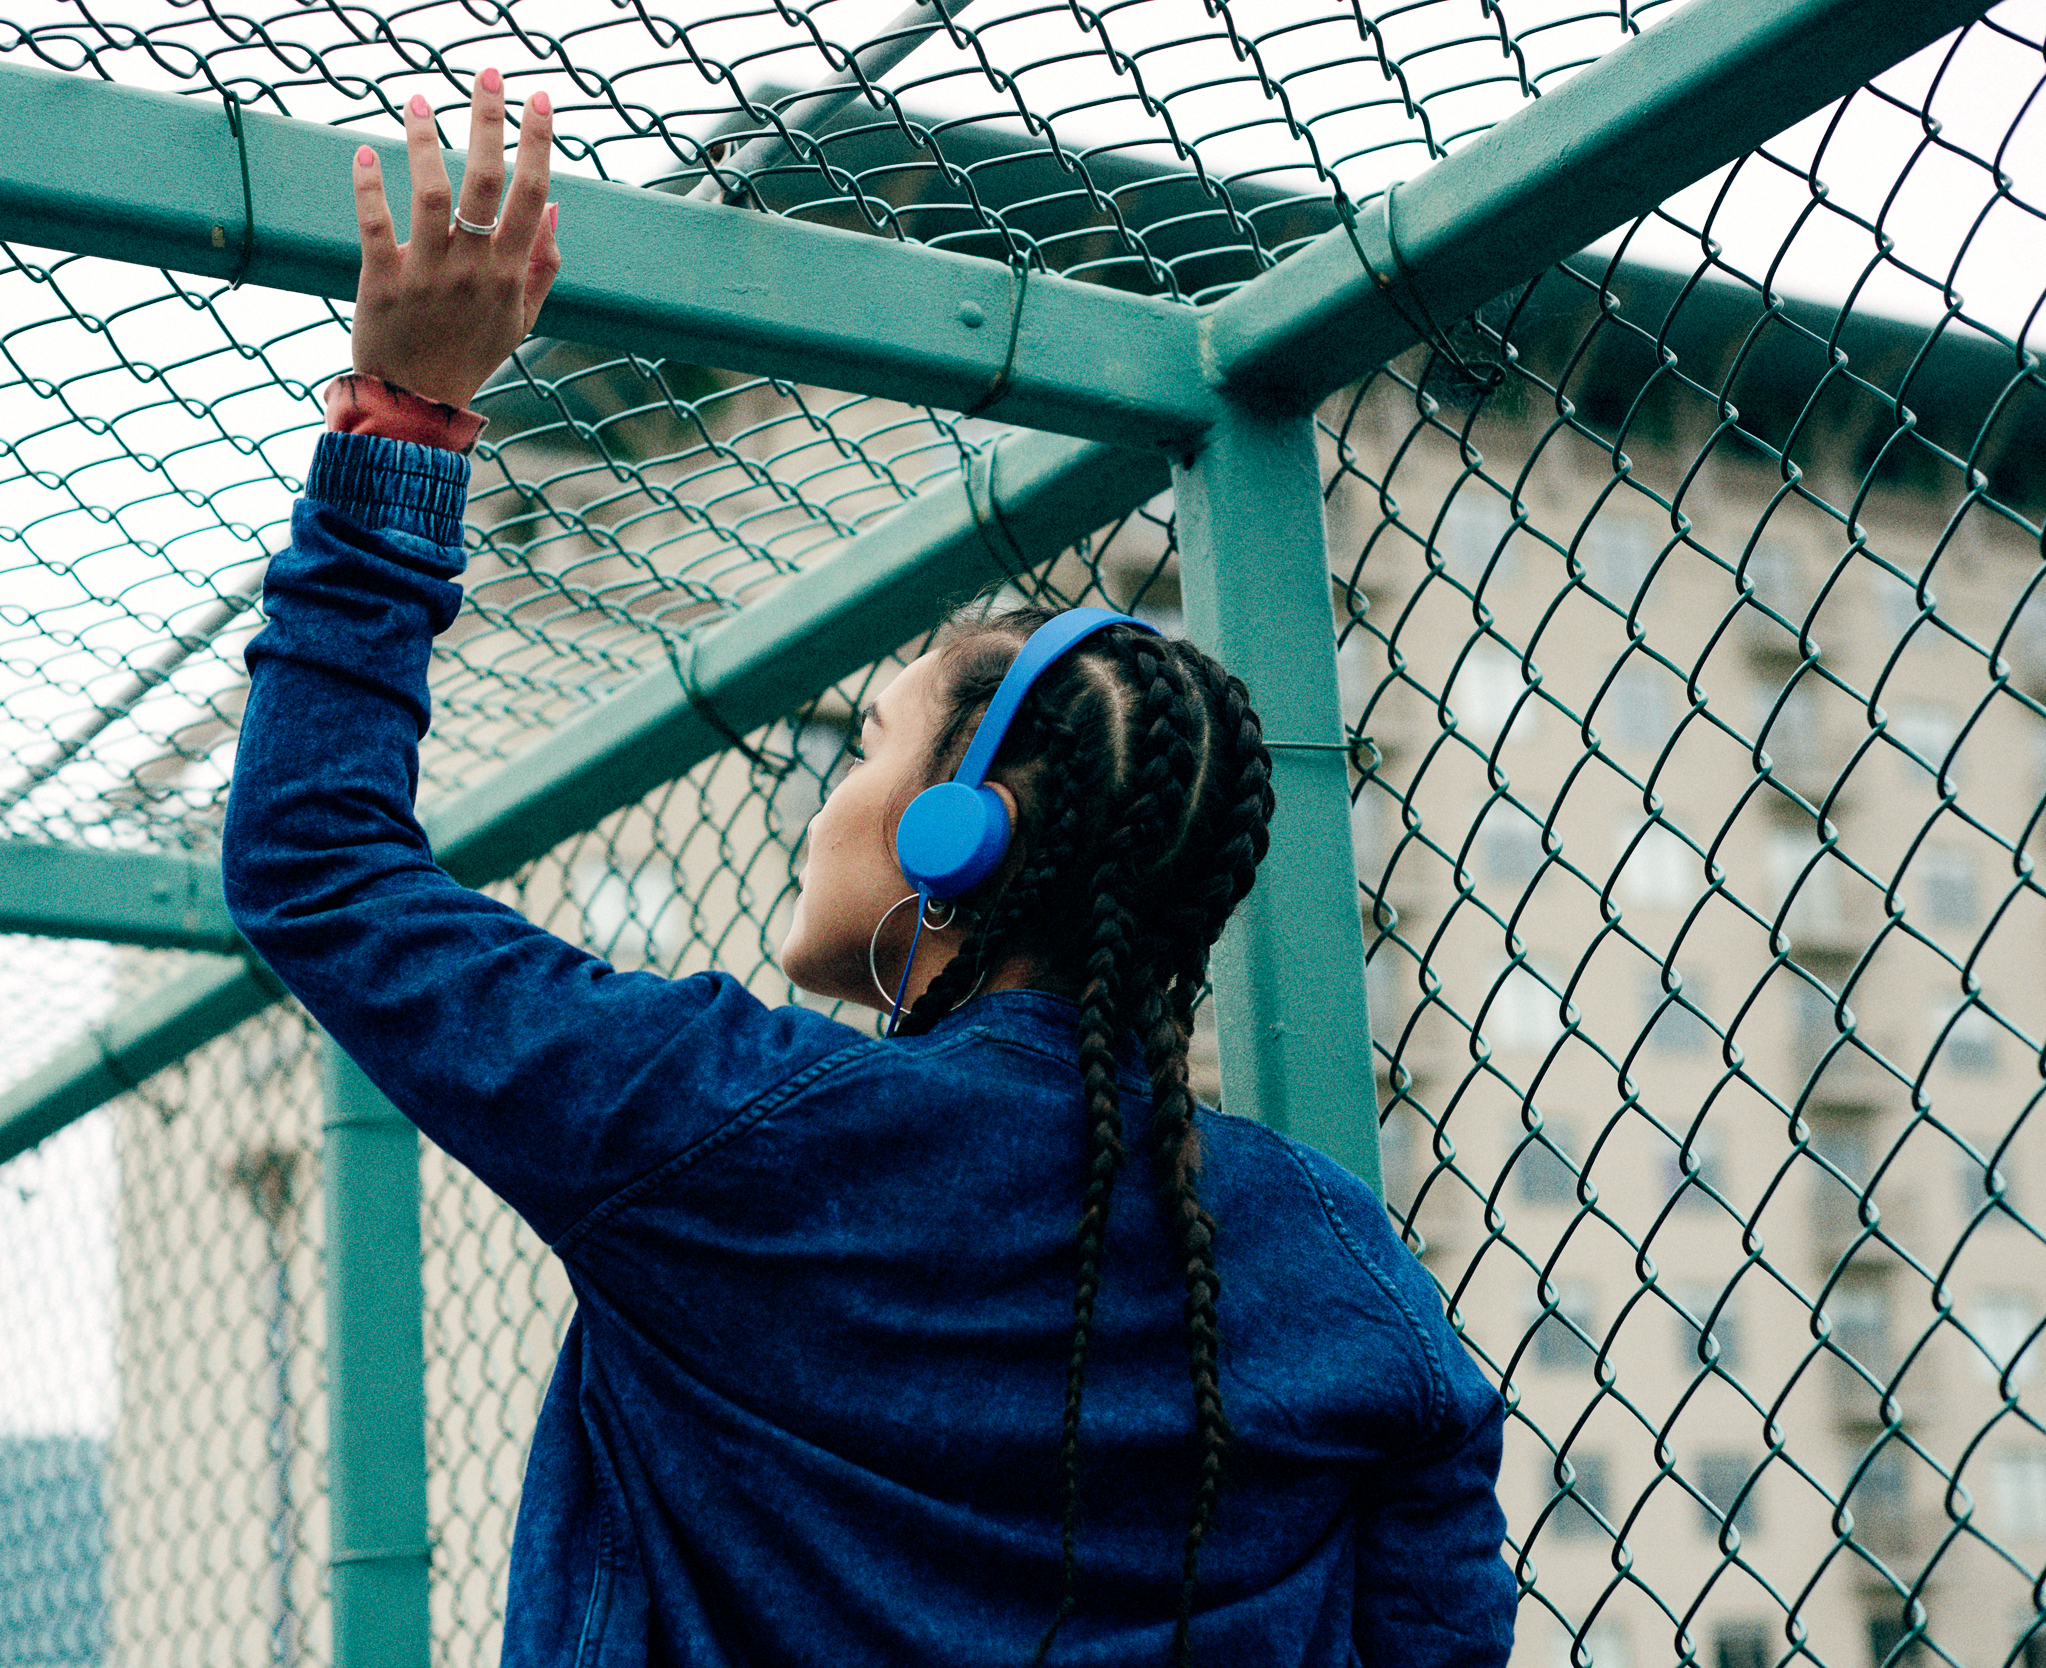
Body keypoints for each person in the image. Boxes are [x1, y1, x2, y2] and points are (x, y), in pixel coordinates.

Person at [222, 67, 1515, 1668]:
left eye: (868, 745)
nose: (829, 793)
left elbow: (318, 864)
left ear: (955, 837)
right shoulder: (1334, 1258)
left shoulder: (714, 1125)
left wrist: (406, 420)